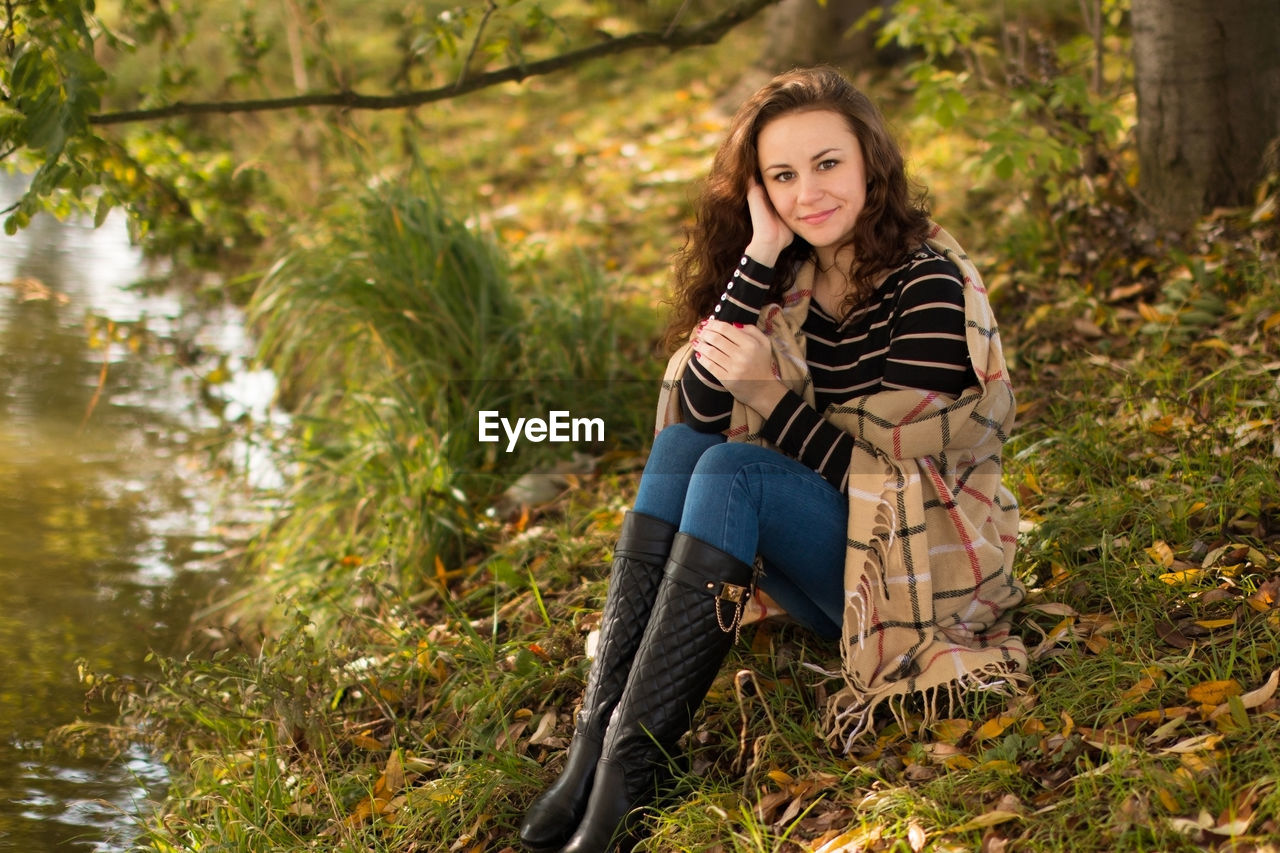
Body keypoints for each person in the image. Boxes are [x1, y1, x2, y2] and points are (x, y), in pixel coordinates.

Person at [519, 66, 1028, 853]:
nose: (807, 193)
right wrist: (758, 253)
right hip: (842, 569)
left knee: (732, 470)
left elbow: (897, 483)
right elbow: (696, 405)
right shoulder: (792, 273)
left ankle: (633, 768)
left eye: (827, 164)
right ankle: (599, 745)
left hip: (920, 568)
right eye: (782, 176)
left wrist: (773, 396)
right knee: (694, 446)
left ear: (871, 163)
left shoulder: (927, 284)